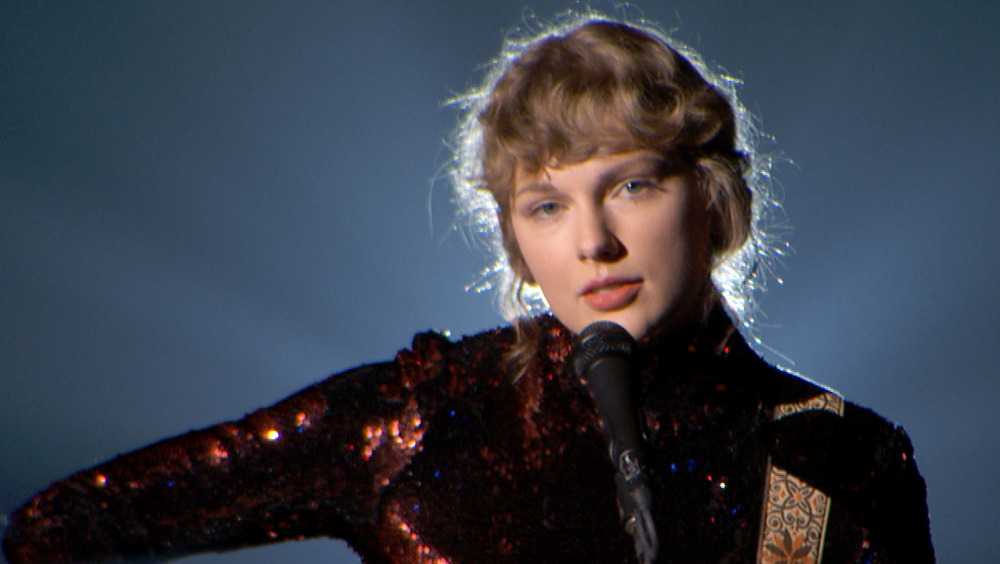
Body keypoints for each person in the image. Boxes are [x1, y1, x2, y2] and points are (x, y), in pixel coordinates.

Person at [2, 11, 933, 564]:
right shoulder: (419, 421)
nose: (594, 243)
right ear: (517, 242)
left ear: (715, 200)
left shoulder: (835, 458)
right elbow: (60, 525)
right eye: (546, 206)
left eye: (631, 186)